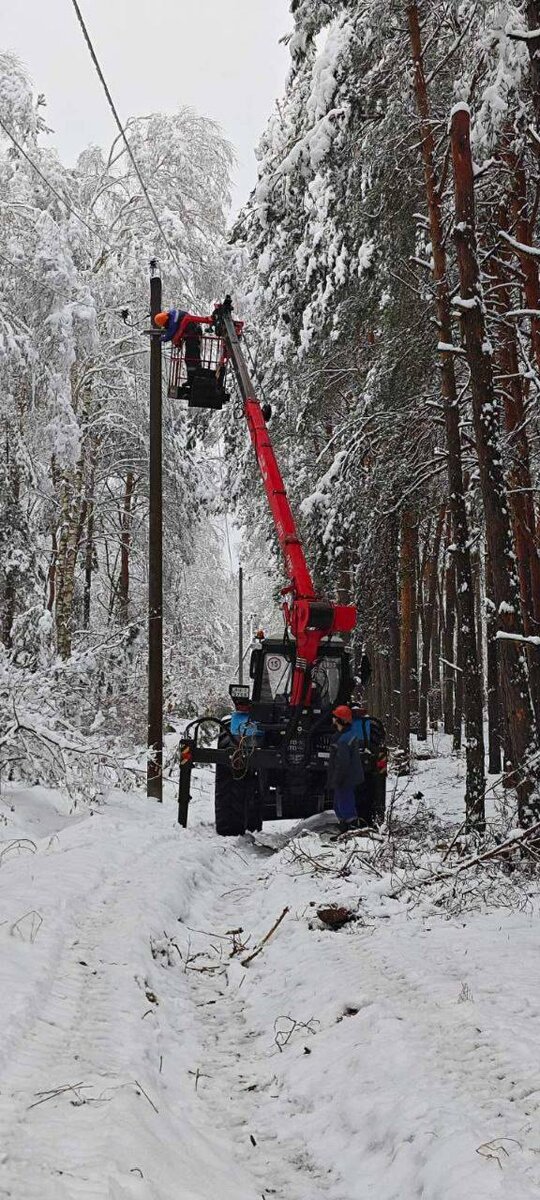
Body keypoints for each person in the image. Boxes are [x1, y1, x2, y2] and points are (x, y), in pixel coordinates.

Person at [327, 705, 365, 833]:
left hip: (345, 778)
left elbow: (342, 763)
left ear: (340, 720)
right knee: (341, 802)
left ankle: (351, 826)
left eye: (335, 717)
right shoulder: (347, 735)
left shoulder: (343, 740)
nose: (332, 719)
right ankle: (345, 827)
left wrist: (336, 779)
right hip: (348, 777)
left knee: (344, 803)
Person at [154, 309, 202, 392]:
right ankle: (192, 380)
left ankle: (196, 380)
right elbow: (177, 329)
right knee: (190, 359)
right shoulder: (172, 314)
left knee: (192, 359)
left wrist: (161, 339)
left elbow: (171, 333)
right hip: (192, 334)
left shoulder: (173, 320)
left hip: (193, 334)